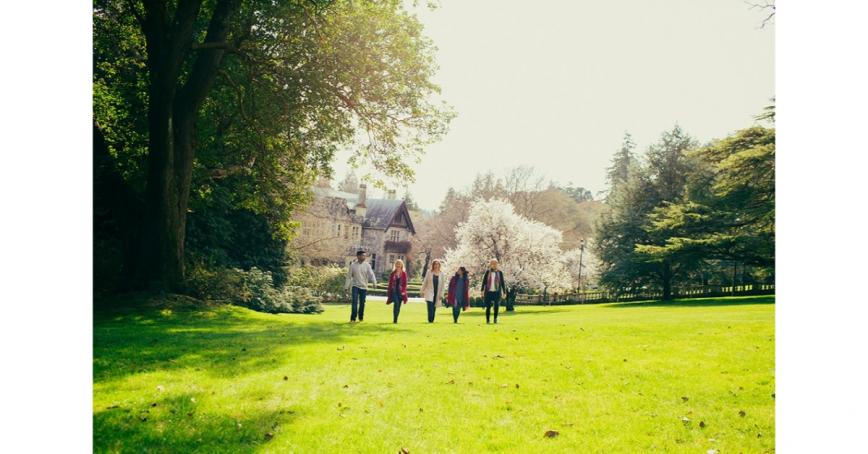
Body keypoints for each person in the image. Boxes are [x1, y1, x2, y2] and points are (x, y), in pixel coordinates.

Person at [345, 250, 377, 323]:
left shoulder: (367, 265)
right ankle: (353, 319)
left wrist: (374, 283)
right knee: (354, 302)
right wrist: (346, 287)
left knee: (362, 303)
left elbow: (371, 274)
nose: (364, 257)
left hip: (364, 287)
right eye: (363, 255)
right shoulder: (353, 265)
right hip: (355, 286)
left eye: (365, 256)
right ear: (358, 256)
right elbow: (349, 277)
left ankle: (360, 317)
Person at [480, 259, 508, 324]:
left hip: (497, 292)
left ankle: (495, 319)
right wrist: (482, 291)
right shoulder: (487, 272)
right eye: (492, 263)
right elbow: (483, 282)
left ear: (497, 264)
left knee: (496, 306)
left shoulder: (500, 272)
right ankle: (487, 320)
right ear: (490, 265)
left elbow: (502, 283)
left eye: (495, 263)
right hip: (488, 292)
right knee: (488, 307)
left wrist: (504, 292)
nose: (494, 265)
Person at [386, 259, 408, 323]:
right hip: (394, 291)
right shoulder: (393, 273)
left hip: (401, 292)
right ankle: (395, 320)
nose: (398, 265)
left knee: (399, 306)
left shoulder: (404, 273)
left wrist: (404, 291)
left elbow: (405, 284)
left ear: (401, 265)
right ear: (395, 265)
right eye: (397, 264)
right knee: (396, 303)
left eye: (399, 264)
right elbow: (390, 283)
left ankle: (396, 318)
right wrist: (389, 291)